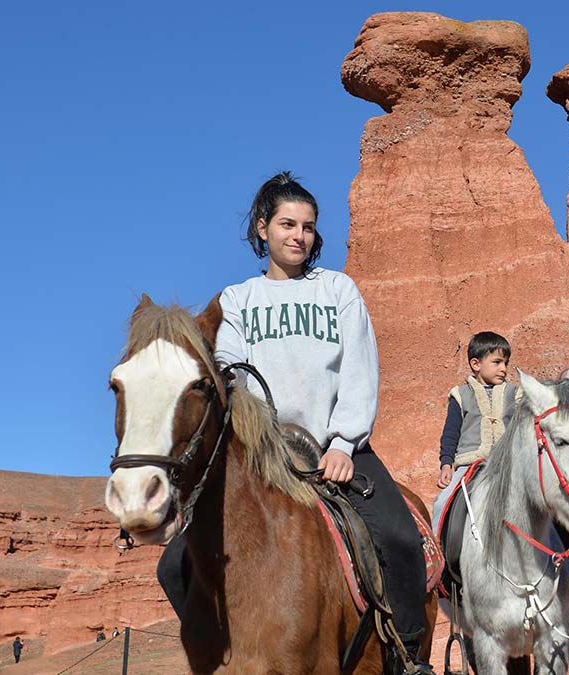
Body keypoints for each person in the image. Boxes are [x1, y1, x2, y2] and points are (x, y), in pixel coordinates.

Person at [213, 171, 432, 673]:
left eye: (308, 227)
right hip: (264, 452)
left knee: (399, 538)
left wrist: (343, 443)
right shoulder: (237, 300)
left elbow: (359, 368)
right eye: (287, 224)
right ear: (262, 228)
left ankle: (409, 657)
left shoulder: (338, 289)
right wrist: (258, 441)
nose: (299, 235)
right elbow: (232, 375)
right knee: (175, 562)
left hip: (337, 450)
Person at [431, 332, 518, 527]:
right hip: (469, 464)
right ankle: (436, 552)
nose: (503, 368)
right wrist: (447, 464)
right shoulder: (460, 395)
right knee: (441, 504)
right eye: (497, 362)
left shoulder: (515, 394)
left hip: (508, 464)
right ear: (476, 364)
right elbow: (451, 434)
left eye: (506, 363)